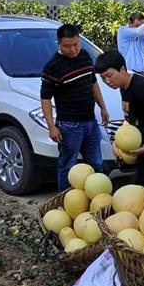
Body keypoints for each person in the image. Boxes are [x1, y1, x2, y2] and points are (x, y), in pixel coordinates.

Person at [40, 24, 110, 191]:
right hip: (69, 125)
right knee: (67, 165)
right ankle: (64, 199)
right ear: (58, 44)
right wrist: (51, 127)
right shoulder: (52, 67)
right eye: (67, 46)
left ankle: (96, 196)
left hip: (91, 121)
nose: (73, 49)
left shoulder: (84, 56)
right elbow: (45, 99)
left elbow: (93, 83)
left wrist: (102, 107)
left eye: (76, 44)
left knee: (95, 162)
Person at [94, 49, 144, 190]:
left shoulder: (142, 88)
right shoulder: (123, 87)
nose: (107, 81)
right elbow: (130, 119)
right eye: (103, 78)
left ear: (122, 69)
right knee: (141, 186)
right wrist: (117, 142)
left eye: (109, 76)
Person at [116, 12, 144, 78]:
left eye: (142, 25)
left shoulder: (142, 34)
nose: (141, 27)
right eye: (138, 25)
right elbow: (136, 32)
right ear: (131, 22)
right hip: (130, 74)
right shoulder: (122, 30)